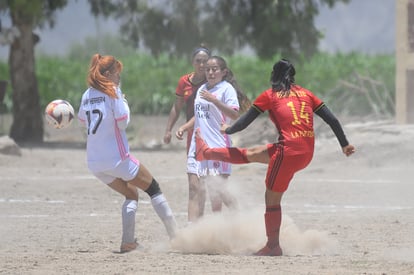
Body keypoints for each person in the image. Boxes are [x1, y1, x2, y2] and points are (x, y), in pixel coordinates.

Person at [194, 58, 356, 256]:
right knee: (252, 154)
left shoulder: (270, 95)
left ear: (274, 76)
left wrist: (228, 130)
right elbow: (332, 119)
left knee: (271, 198)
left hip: (288, 152)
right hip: (306, 151)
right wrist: (344, 144)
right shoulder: (307, 93)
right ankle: (206, 152)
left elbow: (245, 121)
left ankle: (272, 246)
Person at [78, 53, 177, 253]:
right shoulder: (113, 91)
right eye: (117, 72)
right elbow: (123, 122)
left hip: (95, 162)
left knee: (131, 193)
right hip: (117, 158)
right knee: (154, 189)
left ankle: (128, 242)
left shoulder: (87, 94)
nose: (119, 76)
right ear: (108, 73)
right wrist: (123, 100)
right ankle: (177, 237)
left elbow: (83, 121)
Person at [176, 55, 250, 213]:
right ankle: (193, 230)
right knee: (194, 188)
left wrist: (215, 101)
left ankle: (238, 217)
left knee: (218, 192)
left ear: (223, 72)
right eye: (207, 69)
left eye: (214, 69)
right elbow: (199, 114)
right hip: (198, 146)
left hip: (218, 146)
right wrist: (184, 127)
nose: (210, 72)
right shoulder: (202, 89)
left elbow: (235, 115)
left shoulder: (226, 89)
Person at [163, 46, 211, 222]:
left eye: (205, 61)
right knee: (193, 181)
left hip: (208, 134)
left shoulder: (211, 84)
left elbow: (201, 114)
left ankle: (201, 220)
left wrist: (183, 127)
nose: (201, 64)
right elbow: (177, 107)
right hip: (192, 136)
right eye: (198, 60)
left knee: (203, 181)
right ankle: (194, 224)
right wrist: (169, 129)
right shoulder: (184, 81)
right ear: (193, 62)